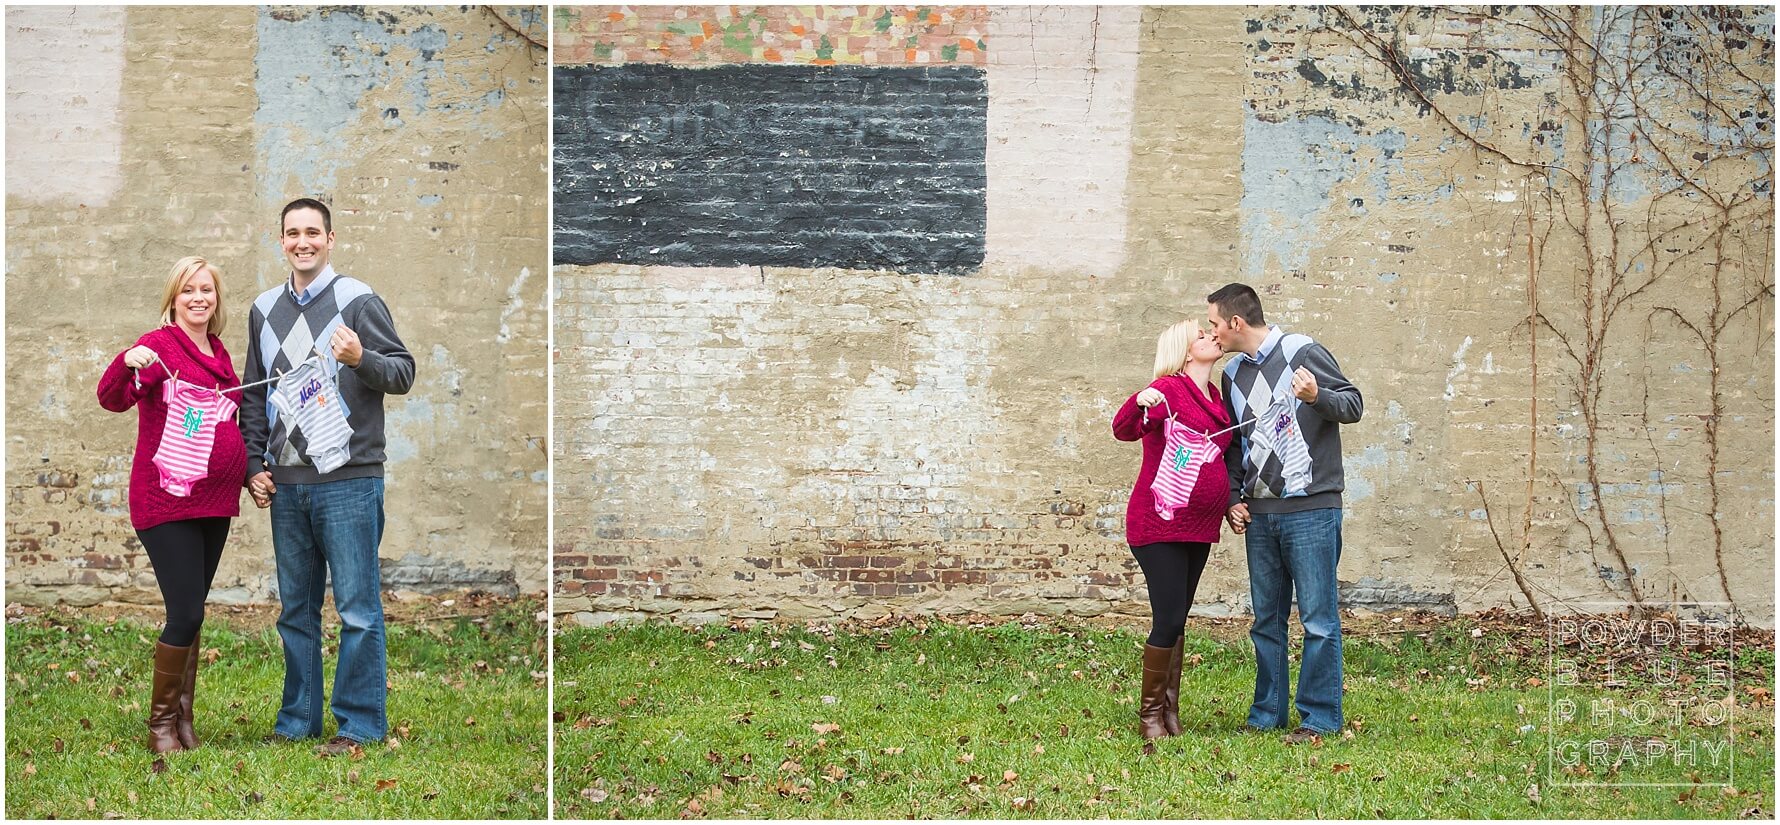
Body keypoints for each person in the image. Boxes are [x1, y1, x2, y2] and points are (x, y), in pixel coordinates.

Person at [240, 197, 415, 755]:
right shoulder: (263, 310)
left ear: (331, 239)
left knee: (358, 610)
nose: (303, 242)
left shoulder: (357, 300)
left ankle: (359, 726)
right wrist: (253, 466)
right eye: (292, 233)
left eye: (313, 232)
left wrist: (361, 356)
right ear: (282, 241)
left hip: (349, 481)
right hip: (288, 485)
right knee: (296, 611)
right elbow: (253, 397)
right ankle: (297, 722)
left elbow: (403, 372)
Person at [97, 256, 246, 753]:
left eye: (207, 289)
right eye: (188, 290)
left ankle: (184, 720)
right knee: (183, 610)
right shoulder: (157, 347)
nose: (199, 297)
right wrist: (127, 361)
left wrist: (247, 472)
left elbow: (228, 424)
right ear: (173, 298)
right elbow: (112, 399)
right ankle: (160, 725)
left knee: (195, 611)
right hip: (165, 499)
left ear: (217, 298)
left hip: (213, 500)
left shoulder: (219, 352)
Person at [1206, 282, 1363, 744]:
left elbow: (1352, 404)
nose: (1211, 332)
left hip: (1312, 511)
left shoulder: (1302, 350)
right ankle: (1266, 716)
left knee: (1317, 620)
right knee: (1266, 621)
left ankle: (1318, 720)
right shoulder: (1232, 374)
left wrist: (1316, 396)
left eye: (1214, 323)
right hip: (1260, 515)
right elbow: (1236, 444)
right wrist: (1235, 497)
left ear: (1236, 323)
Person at [1111, 320, 1233, 739]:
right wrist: (1137, 401)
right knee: (1167, 618)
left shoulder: (1214, 397)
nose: (1211, 337)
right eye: (1201, 335)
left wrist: (1231, 503)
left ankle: (1170, 711)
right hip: (1159, 522)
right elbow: (1125, 429)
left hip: (1198, 526)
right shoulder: (1166, 391)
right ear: (1184, 352)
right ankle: (1149, 717)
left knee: (1179, 618)